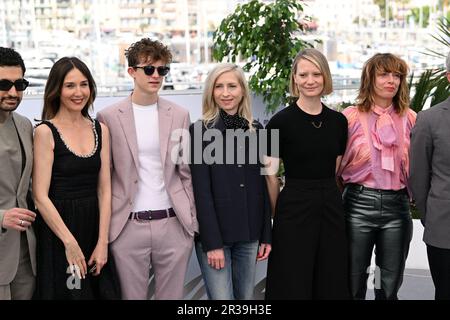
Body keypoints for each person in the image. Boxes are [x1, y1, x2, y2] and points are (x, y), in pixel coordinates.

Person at [96, 38, 198, 300]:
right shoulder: (108, 117)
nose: (156, 76)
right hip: (127, 226)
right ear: (131, 71)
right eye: (149, 69)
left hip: (173, 224)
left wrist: (191, 222)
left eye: (162, 70)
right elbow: (105, 177)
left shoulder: (179, 114)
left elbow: (185, 172)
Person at [264, 48, 349, 300]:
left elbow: (335, 168)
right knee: (292, 278)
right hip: (293, 207)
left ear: (325, 77)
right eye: (303, 74)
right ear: (294, 79)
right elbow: (269, 175)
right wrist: (277, 213)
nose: (310, 80)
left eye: (316, 74)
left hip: (331, 205)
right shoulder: (278, 122)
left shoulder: (339, 121)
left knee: (331, 276)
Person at [189, 63, 272, 300]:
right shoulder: (198, 131)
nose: (226, 93)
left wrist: (267, 234)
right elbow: (200, 192)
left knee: (245, 300)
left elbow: (265, 186)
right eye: (219, 87)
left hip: (250, 234)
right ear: (211, 92)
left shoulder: (257, 129)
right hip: (217, 238)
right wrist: (212, 243)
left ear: (243, 90)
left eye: (232, 86)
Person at [338, 53, 416, 300]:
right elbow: (335, 165)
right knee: (353, 280)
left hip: (397, 208)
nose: (391, 80)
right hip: (357, 206)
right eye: (384, 74)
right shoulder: (348, 118)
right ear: (370, 78)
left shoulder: (411, 119)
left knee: (388, 282)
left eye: (397, 75)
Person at [33, 57, 112, 299]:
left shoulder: (101, 129)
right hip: (60, 231)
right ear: (57, 89)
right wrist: (69, 242)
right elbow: (40, 196)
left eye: (84, 84)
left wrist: (102, 242)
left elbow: (105, 190)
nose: (79, 92)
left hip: (93, 227)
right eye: (70, 85)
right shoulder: (45, 132)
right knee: (70, 293)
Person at [409, 51, 450, 300]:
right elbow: (418, 175)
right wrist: (429, 215)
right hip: (443, 228)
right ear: (448, 76)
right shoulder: (428, 119)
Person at [0, 47, 36, 300]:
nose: (13, 92)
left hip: (26, 255)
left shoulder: (24, 125)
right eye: (4, 84)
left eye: (19, 84)